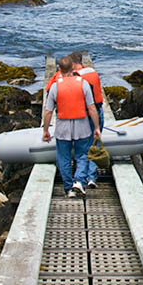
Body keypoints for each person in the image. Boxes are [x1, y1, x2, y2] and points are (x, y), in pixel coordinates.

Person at [42, 56, 101, 198]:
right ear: (73, 68)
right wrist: (97, 127)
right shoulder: (83, 83)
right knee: (83, 155)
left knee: (64, 158)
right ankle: (79, 180)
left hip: (63, 126)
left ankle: (68, 188)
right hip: (82, 125)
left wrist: (45, 130)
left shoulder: (55, 86)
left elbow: (48, 111)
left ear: (59, 69)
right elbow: (91, 108)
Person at [69, 51, 105, 189]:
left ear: (73, 64)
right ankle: (92, 177)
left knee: (82, 148)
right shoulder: (92, 72)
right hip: (99, 111)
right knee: (94, 145)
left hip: (85, 115)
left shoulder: (75, 77)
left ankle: (79, 179)